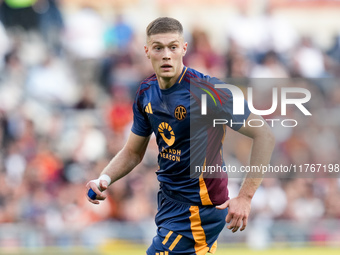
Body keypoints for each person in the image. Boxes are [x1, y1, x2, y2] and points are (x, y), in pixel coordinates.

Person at [86, 17, 275, 255]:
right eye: (158, 47)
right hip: (169, 203)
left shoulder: (207, 91)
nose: (166, 54)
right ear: (147, 51)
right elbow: (133, 152)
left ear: (184, 49)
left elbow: (264, 135)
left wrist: (246, 197)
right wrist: (104, 179)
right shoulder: (146, 92)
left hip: (199, 210)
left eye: (173, 47)